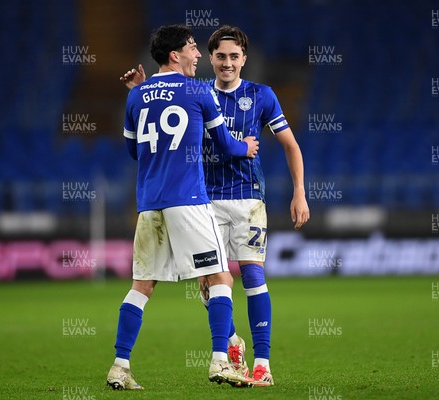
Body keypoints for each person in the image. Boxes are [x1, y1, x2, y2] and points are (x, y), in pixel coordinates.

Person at [119, 25, 309, 387]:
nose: (227, 63)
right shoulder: (197, 91)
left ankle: (263, 362)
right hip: (206, 199)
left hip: (249, 198)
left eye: (234, 56)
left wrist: (299, 191)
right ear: (209, 58)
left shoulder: (262, 95)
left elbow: (291, 145)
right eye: (220, 56)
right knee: (210, 284)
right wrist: (143, 93)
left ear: (244, 59)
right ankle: (231, 344)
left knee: (252, 276)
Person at [106, 24, 259, 390]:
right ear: (175, 55)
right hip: (189, 201)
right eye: (192, 48)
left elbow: (134, 152)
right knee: (221, 277)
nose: (197, 55)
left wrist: (141, 94)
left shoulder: (136, 95)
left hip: (149, 204)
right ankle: (221, 361)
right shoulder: (198, 90)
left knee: (141, 286)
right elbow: (224, 144)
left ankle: (119, 365)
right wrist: (247, 147)